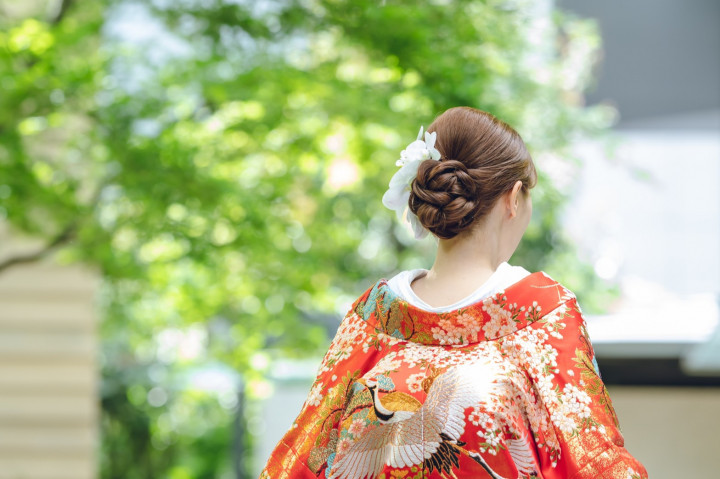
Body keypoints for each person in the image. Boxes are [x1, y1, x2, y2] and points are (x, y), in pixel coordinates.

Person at [260, 107, 648, 479]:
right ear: (514, 199)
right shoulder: (542, 312)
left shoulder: (373, 318)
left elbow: (301, 459)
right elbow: (594, 458)